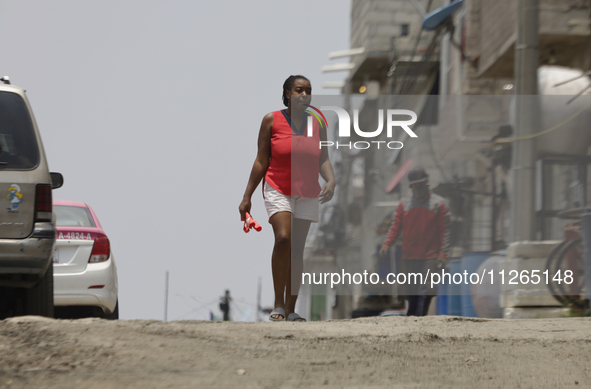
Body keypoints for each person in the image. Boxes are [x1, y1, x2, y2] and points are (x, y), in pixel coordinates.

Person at [239, 75, 335, 322]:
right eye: (299, 90)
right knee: (283, 238)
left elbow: (322, 158)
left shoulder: (318, 124)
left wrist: (331, 180)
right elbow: (261, 160)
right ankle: (278, 304)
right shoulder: (271, 120)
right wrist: (247, 196)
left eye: (308, 91)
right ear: (287, 94)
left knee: (298, 250)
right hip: (277, 187)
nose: (304, 95)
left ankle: (292, 309)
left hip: (307, 191)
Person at [379, 167, 451, 316]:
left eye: (421, 183)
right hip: (409, 255)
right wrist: (387, 244)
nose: (418, 187)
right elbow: (396, 227)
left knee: (429, 288)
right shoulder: (404, 204)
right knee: (410, 289)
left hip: (430, 255)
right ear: (411, 186)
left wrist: (443, 254)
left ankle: (423, 315)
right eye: (415, 184)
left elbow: (445, 231)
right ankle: (412, 316)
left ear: (427, 183)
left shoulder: (439, 204)